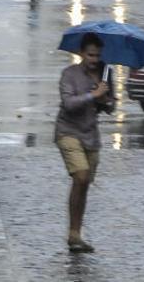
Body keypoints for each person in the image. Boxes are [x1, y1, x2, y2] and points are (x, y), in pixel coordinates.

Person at [55, 33, 113, 252]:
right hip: (68, 131)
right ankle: (73, 231)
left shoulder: (106, 74)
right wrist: (92, 95)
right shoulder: (69, 74)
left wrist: (106, 99)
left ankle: (75, 233)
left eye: (97, 55)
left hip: (91, 134)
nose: (94, 59)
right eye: (90, 55)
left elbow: (110, 106)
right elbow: (69, 103)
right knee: (80, 175)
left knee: (84, 183)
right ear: (81, 54)